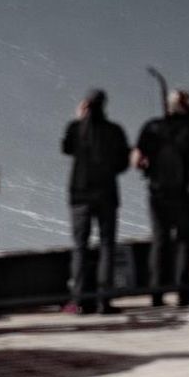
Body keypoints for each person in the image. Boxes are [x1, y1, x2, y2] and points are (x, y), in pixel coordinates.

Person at [133, 88, 189, 307]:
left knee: (160, 241)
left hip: (158, 193)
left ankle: (156, 294)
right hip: (186, 196)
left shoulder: (152, 127)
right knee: (186, 243)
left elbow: (137, 160)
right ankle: (183, 293)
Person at [62, 89, 130, 313]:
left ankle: (79, 299)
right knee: (107, 245)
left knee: (80, 247)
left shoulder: (76, 129)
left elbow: (66, 148)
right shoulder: (115, 131)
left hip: (80, 194)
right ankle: (104, 300)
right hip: (106, 194)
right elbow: (123, 164)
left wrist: (79, 119)